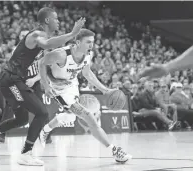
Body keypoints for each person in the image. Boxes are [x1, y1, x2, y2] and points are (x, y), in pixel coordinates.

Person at [0, 7, 85, 166]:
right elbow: (46, 44)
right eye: (56, 18)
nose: (58, 21)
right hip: (11, 79)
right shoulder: (37, 35)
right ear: (47, 20)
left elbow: (43, 63)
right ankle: (26, 153)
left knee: (22, 118)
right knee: (42, 113)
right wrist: (72, 34)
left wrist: (44, 82)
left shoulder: (42, 39)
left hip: (15, 79)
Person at [38, 29, 132, 163]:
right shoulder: (61, 54)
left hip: (72, 85)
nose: (91, 45)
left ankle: (45, 130)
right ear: (77, 42)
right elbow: (41, 63)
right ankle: (114, 151)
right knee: (88, 116)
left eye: (92, 42)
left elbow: (87, 74)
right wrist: (46, 85)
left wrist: (104, 89)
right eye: (88, 42)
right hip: (58, 90)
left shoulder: (88, 54)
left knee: (70, 115)